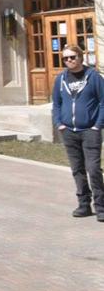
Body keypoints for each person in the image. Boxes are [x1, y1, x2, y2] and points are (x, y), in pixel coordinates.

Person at [51, 43, 104, 222]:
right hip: (69, 131)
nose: (69, 60)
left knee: (93, 169)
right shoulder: (61, 79)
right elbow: (56, 103)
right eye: (65, 58)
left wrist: (98, 125)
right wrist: (59, 123)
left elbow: (103, 102)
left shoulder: (93, 77)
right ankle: (84, 205)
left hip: (90, 131)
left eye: (72, 57)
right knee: (77, 169)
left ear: (80, 57)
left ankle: (101, 206)